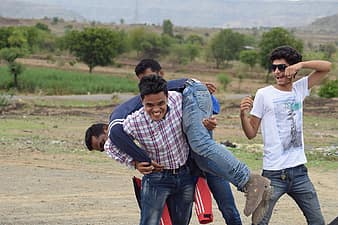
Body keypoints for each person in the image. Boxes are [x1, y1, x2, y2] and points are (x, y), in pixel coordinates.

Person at [86, 59, 272, 223]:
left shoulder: (174, 99)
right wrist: (135, 162)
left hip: (205, 159)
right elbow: (113, 143)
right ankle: (251, 186)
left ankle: (250, 182)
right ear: (142, 100)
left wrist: (142, 158)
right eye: (149, 104)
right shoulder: (136, 119)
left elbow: (116, 136)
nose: (156, 108)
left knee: (226, 203)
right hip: (190, 165)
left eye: (160, 103)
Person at [239, 45, 331, 225]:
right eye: (274, 68)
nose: (277, 72)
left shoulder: (300, 88)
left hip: (299, 172)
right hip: (273, 175)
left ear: (292, 68)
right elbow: (251, 133)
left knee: (317, 221)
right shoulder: (264, 94)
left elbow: (326, 66)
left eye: (281, 67)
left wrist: (301, 65)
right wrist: (243, 115)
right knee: (259, 223)